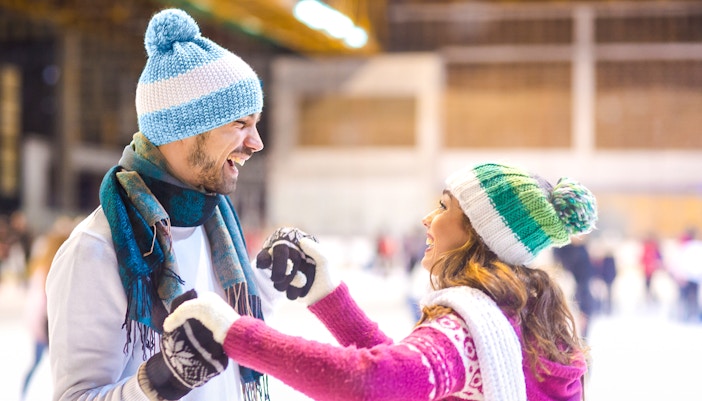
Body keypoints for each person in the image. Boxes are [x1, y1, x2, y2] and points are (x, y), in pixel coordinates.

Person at [165, 162, 597, 401]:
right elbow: (410, 372)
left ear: (478, 232)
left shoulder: (467, 331)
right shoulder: (520, 314)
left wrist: (236, 332)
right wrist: (329, 296)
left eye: (444, 207)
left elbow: (372, 383)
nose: (428, 218)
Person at [46, 9, 282, 401]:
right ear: (182, 132)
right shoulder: (95, 251)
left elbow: (226, 345)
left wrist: (271, 282)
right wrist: (159, 380)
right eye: (239, 124)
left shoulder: (215, 223)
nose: (256, 143)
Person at [553, 236, 596, 337]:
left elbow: (587, 272)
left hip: (582, 288)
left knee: (584, 314)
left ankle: (584, 336)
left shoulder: (582, 248)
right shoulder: (564, 249)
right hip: (568, 286)